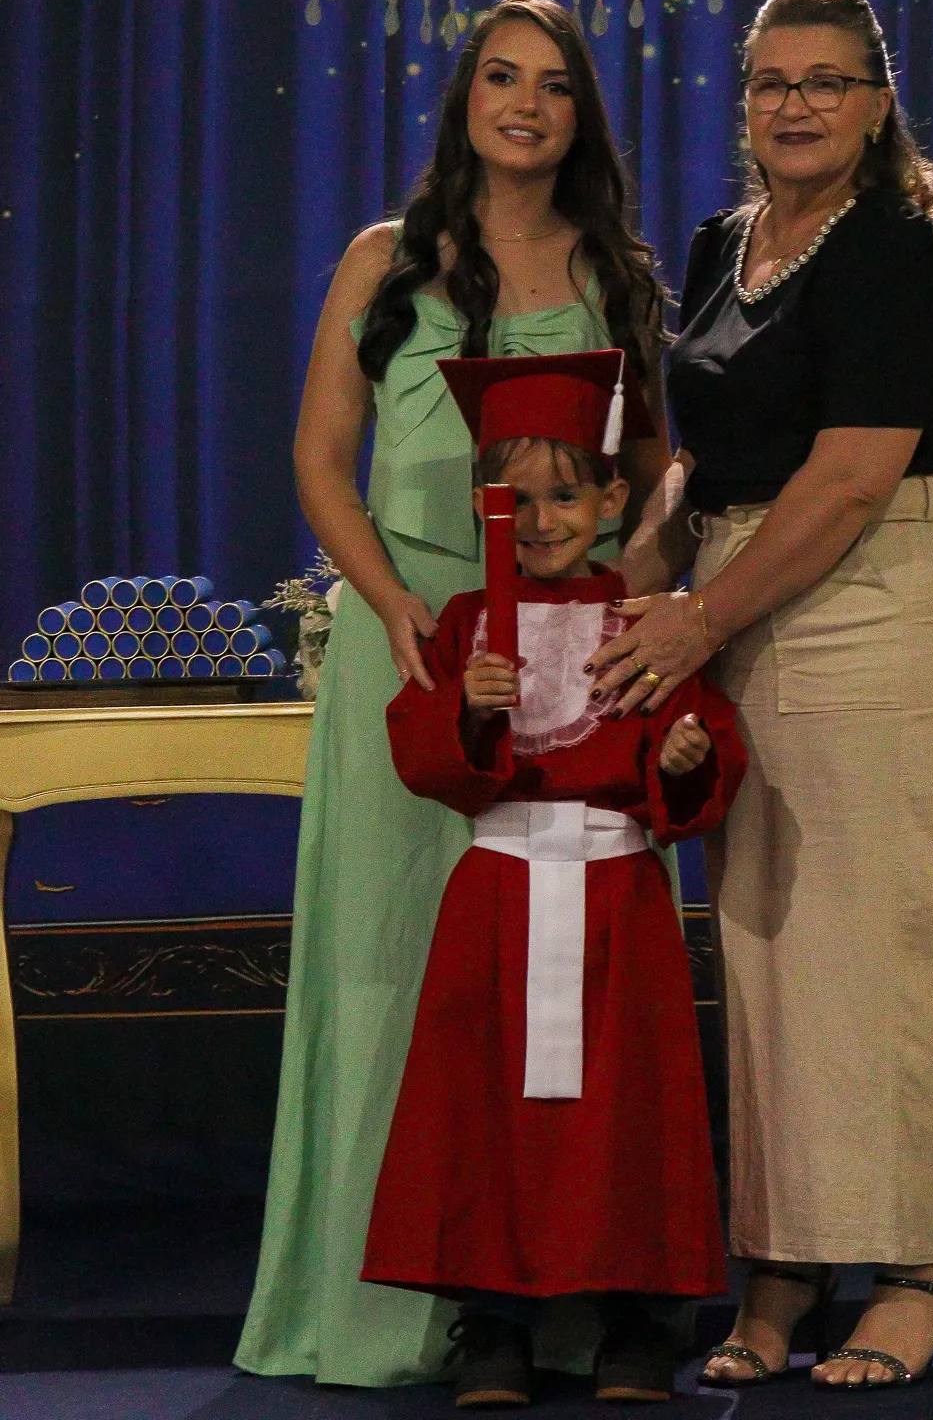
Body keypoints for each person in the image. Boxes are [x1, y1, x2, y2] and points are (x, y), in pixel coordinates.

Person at [237, 0, 671, 1388]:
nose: (524, 104)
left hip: (563, 673)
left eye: (552, 84)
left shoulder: (614, 272)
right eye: (501, 77)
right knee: (393, 964)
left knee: (554, 992)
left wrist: (620, 603)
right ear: (464, 98)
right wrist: (392, 606)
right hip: (417, 648)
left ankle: (559, 1299)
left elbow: (654, 473)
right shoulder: (384, 259)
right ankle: (379, 1309)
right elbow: (319, 460)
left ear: (579, 115)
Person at [593, 0, 933, 1391]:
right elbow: (699, 453)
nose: (795, 105)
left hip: (865, 595)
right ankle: (784, 1257)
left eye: (825, 82)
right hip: (737, 600)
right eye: (771, 81)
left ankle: (920, 1265)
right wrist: (631, 581)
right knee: (765, 949)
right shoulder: (724, 241)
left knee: (877, 946)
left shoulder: (891, 250)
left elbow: (851, 475)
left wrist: (700, 615)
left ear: (876, 107)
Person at [363, 350, 745, 1408]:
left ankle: (634, 1324)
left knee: (627, 1112)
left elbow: (697, 741)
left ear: (612, 501)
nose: (540, 521)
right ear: (481, 506)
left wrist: (685, 757)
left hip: (620, 902)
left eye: (566, 495)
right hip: (498, 897)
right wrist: (467, 709)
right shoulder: (465, 627)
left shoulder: (647, 621)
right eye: (515, 501)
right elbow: (422, 751)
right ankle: (493, 1325)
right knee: (485, 1112)